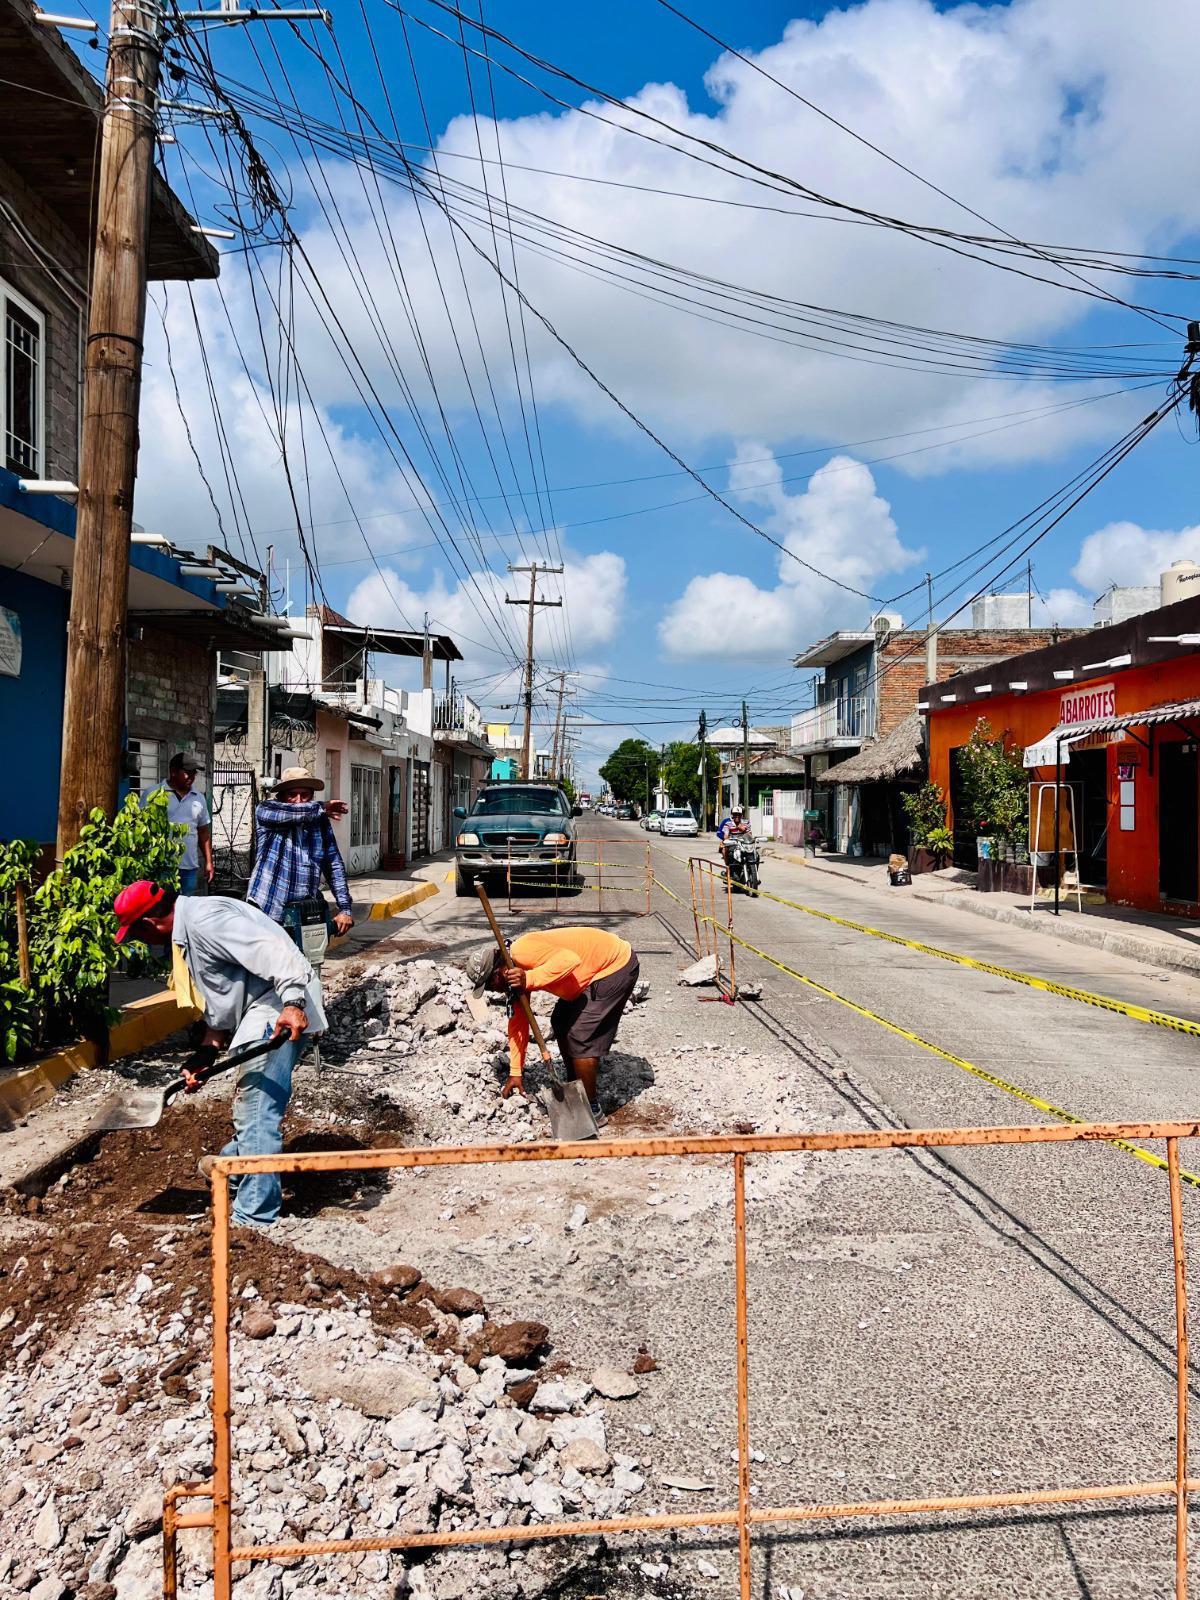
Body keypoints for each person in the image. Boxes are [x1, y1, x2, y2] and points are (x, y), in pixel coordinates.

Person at [112, 879, 325, 1229]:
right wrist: (206, 1052)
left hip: (277, 1009)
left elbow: (275, 952)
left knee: (255, 1110)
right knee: (253, 1108)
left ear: (149, 924)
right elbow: (224, 1000)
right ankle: (232, 1169)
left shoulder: (206, 920)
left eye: (136, 934)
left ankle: (254, 1217)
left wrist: (291, 1003)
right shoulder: (191, 930)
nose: (142, 943)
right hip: (266, 1007)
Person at [466, 927, 639, 1114]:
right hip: (590, 973)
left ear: (497, 974)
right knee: (560, 1020)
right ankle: (576, 1083)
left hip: (614, 965)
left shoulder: (522, 951)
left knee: (580, 1035)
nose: (494, 991)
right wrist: (515, 1071)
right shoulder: (514, 975)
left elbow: (569, 960)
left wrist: (529, 978)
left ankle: (591, 1109)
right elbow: (518, 1024)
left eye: (490, 986)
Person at [248, 766, 354, 937]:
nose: (299, 800)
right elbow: (292, 813)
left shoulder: (319, 820)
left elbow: (333, 864)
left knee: (307, 953)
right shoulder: (268, 809)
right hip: (267, 908)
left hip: (304, 911)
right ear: (282, 795)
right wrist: (321, 807)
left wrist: (345, 909)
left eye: (305, 795)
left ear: (312, 795)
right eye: (292, 795)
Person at [148, 753, 213, 894]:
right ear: (173, 772)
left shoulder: (199, 798)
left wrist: (209, 862)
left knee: (185, 905)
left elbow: (203, 832)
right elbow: (142, 827)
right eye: (187, 772)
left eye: (194, 773)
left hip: (189, 868)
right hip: (162, 867)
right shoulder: (154, 794)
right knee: (162, 905)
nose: (191, 777)